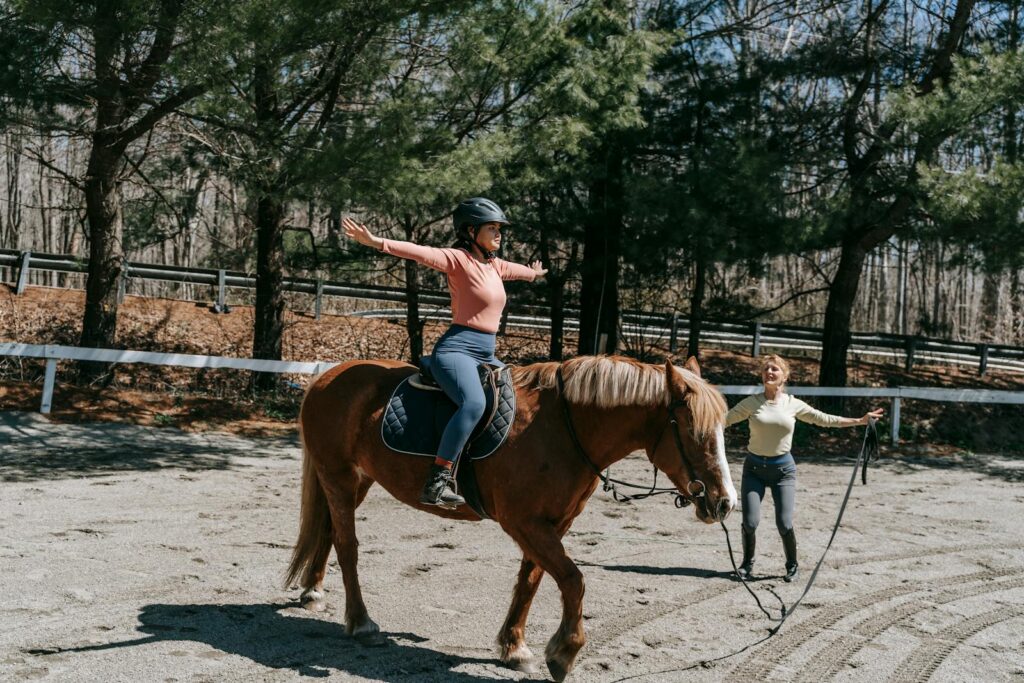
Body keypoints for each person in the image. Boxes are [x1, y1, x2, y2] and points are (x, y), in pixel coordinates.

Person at [342, 198, 546, 508]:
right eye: (492, 228)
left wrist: (533, 274)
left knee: (517, 399)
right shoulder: (457, 260)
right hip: (457, 351)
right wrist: (376, 242)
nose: (499, 233)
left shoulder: (494, 265)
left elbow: (517, 272)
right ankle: (438, 479)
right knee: (473, 402)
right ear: (471, 230)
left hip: (486, 353)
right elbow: (417, 252)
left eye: (500, 228)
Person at [724, 354, 883, 582]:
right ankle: (746, 565)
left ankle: (792, 565)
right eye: (766, 369)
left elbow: (823, 419)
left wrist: (859, 421)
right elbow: (724, 420)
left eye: (775, 369)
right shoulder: (751, 403)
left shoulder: (793, 404)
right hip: (754, 470)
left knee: (784, 523)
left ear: (784, 376)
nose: (769, 372)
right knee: (749, 522)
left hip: (783, 472)